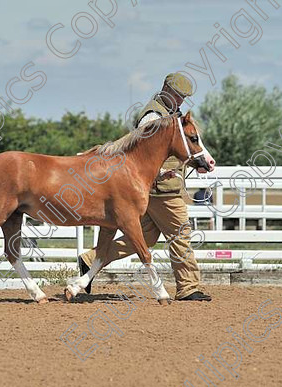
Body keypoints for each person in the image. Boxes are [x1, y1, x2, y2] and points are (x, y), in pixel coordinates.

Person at [78, 73, 212, 301]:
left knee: (146, 237)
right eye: (178, 95)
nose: (181, 100)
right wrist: (161, 174)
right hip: (162, 189)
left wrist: (194, 160)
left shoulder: (171, 115)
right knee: (180, 233)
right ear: (166, 89)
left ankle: (90, 260)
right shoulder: (152, 117)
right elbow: (143, 154)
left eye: (184, 97)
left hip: (158, 186)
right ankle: (188, 287)